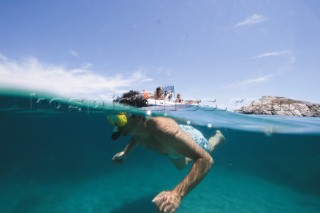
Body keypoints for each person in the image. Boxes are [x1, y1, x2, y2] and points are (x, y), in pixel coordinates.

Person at [107, 112, 225, 213]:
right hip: (172, 151)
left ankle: (217, 138)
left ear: (137, 116)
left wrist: (177, 194)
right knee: (181, 166)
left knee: (208, 149)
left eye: (119, 119)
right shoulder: (136, 129)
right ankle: (188, 157)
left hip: (191, 140)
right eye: (111, 120)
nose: (116, 124)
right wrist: (125, 152)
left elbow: (206, 160)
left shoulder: (165, 130)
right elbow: (136, 137)